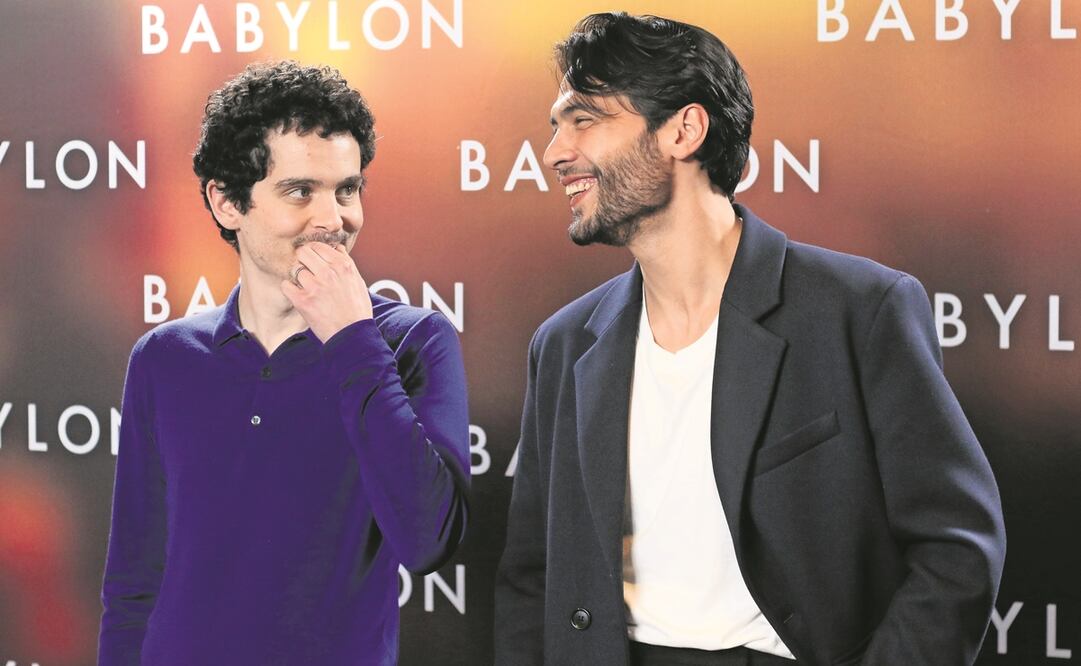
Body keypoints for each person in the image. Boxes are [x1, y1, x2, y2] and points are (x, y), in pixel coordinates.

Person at [494, 12, 1005, 666]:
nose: (555, 151)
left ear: (683, 128)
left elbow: (955, 548)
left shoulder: (858, 310)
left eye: (584, 119)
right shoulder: (563, 345)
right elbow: (531, 575)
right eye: (555, 126)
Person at [98, 61, 470, 665]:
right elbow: (134, 585)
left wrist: (351, 335)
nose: (333, 219)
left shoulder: (412, 342)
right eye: (300, 191)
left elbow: (427, 540)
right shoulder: (164, 359)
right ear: (226, 202)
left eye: (347, 189)